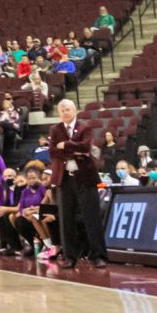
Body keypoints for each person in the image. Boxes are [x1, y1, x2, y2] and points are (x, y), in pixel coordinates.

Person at [44, 98, 107, 267]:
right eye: (62, 110)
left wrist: (66, 145)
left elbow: (86, 148)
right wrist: (74, 148)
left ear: (75, 111)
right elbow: (53, 152)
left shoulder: (85, 127)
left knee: (91, 217)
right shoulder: (55, 129)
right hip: (64, 178)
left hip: (85, 177)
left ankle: (98, 256)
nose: (65, 112)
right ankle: (70, 257)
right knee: (66, 219)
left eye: (68, 109)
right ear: (59, 113)